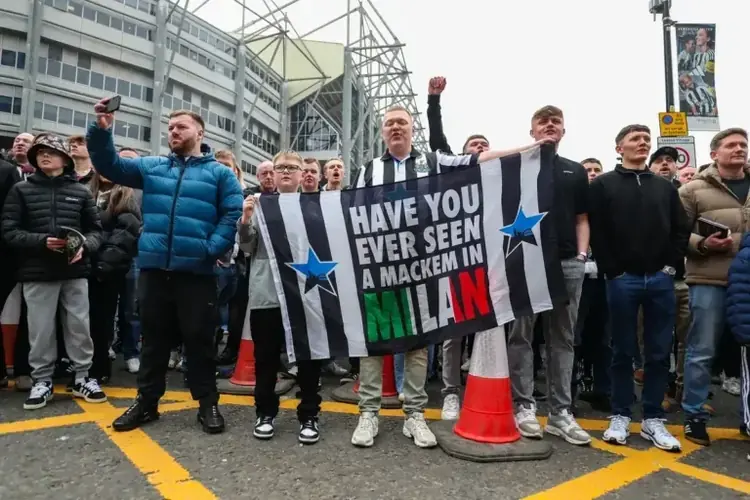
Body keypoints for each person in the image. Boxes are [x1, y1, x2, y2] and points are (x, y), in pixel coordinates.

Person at [351, 104, 550, 449]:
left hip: (422, 266)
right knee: (375, 340)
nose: (396, 127)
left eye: (402, 123)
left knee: (419, 341)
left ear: (411, 129)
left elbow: (480, 159)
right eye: (390, 123)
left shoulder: (433, 162)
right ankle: (368, 412)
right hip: (380, 267)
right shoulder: (367, 170)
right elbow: (350, 213)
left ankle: (414, 413)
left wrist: (527, 148)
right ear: (382, 131)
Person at [87, 99, 244, 435]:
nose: (173, 132)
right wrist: (101, 131)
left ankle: (207, 403)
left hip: (197, 273)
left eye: (181, 127)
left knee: (200, 341)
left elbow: (232, 213)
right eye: (170, 127)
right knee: (154, 341)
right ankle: (147, 402)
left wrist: (211, 248)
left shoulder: (220, 173)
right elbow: (109, 165)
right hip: (155, 271)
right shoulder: (152, 166)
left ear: (200, 133)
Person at [589, 124, 690, 451]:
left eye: (646, 139)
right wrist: (612, 270)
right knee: (622, 350)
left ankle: (652, 418)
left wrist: (670, 267)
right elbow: (597, 229)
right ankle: (620, 414)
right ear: (619, 148)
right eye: (635, 138)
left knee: (659, 352)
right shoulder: (603, 184)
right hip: (622, 279)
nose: (643, 142)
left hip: (660, 279)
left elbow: (680, 228)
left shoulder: (664, 187)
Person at [1, 134, 105, 410]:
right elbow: (9, 231)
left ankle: (82, 376)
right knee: (40, 329)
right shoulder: (21, 190)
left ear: (65, 159)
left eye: (51, 151)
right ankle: (42, 380)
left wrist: (85, 245)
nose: (44, 155)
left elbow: (96, 231)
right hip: (37, 272)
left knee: (79, 326)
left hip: (75, 271)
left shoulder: (81, 192)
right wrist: (41, 241)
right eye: (40, 152)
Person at [508, 105, 591, 446]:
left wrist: (582, 256)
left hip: (568, 262)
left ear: (563, 131)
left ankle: (560, 412)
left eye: (555, 121)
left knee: (562, 339)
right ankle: (523, 406)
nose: (549, 125)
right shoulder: (514, 167)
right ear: (532, 131)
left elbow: (582, 218)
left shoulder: (575, 170)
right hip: (525, 261)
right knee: (521, 336)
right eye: (542, 121)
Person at [238, 150, 323, 444]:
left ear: (302, 174)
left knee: (309, 358)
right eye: (281, 167)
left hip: (306, 294)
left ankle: (309, 413)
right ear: (272, 174)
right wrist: (245, 219)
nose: (286, 171)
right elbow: (246, 249)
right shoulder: (259, 206)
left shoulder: (316, 207)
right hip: (267, 294)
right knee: (265, 358)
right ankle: (265, 412)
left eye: (292, 167)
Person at [679, 128, 749, 445]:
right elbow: (676, 233)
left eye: (743, 144)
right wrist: (703, 243)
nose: (739, 148)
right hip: (710, 278)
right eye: (731, 145)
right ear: (714, 154)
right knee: (702, 349)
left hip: (747, 281)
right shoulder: (693, 190)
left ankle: (748, 418)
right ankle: (694, 414)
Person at [88, 169, 142, 383]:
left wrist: (104, 263)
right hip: (85, 265)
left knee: (103, 320)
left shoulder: (126, 198)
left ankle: (100, 368)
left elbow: (126, 233)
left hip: (109, 269)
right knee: (84, 320)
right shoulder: (86, 192)